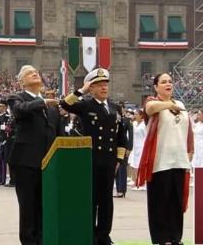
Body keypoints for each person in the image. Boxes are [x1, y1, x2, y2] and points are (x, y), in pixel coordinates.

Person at [60, 68, 127, 245]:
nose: (104, 88)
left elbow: (121, 137)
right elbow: (65, 104)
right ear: (92, 88)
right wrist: (82, 90)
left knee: (106, 201)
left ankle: (104, 235)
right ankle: (89, 235)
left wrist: (119, 160)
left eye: (106, 84)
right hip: (90, 160)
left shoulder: (115, 108)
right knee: (91, 199)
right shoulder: (86, 105)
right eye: (99, 85)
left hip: (109, 160)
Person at [136, 73, 194, 245]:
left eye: (170, 81)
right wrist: (168, 104)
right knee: (160, 202)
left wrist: (189, 151)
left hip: (179, 160)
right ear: (156, 87)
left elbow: (187, 130)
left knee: (176, 202)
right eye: (163, 82)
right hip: (160, 161)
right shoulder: (151, 102)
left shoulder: (181, 104)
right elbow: (150, 109)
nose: (168, 84)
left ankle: (176, 237)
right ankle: (162, 239)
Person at [7, 65, 61, 245]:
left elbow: (59, 135)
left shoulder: (52, 107)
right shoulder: (17, 98)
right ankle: (29, 241)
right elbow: (20, 110)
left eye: (36, 72)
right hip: (26, 163)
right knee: (28, 206)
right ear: (22, 81)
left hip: (49, 163)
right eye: (29, 73)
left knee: (45, 206)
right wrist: (44, 102)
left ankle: (43, 239)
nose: (35, 73)